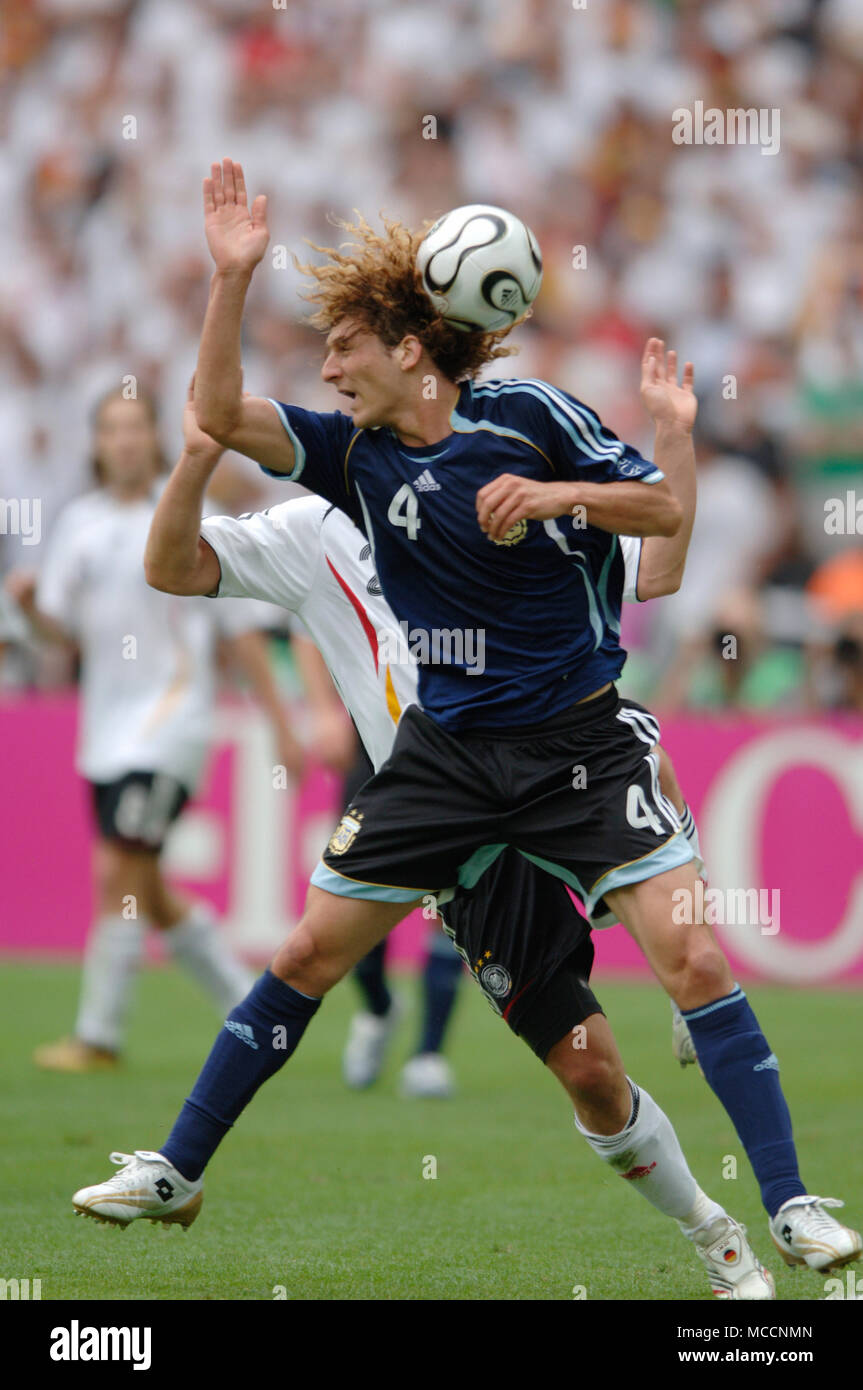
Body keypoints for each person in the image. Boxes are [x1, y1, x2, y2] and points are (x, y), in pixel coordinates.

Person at [73, 161, 860, 1289]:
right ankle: (180, 1168)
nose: (329, 368)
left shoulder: (530, 418)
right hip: (442, 763)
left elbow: (664, 519)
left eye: (344, 347)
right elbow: (210, 415)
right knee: (324, 958)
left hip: (580, 749)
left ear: (408, 347)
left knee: (689, 951)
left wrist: (555, 494)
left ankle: (787, 1206)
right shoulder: (352, 457)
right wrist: (231, 276)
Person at [5, 386, 302, 1070]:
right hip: (104, 730)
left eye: (136, 427)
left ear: (155, 438)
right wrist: (26, 612)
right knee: (145, 885)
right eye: (112, 429)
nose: (126, 441)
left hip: (171, 724)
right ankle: (250, 1009)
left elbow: (244, 635)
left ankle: (98, 1037)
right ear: (98, 443)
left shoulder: (197, 515)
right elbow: (63, 633)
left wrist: (282, 722)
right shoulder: (79, 523)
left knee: (119, 870)